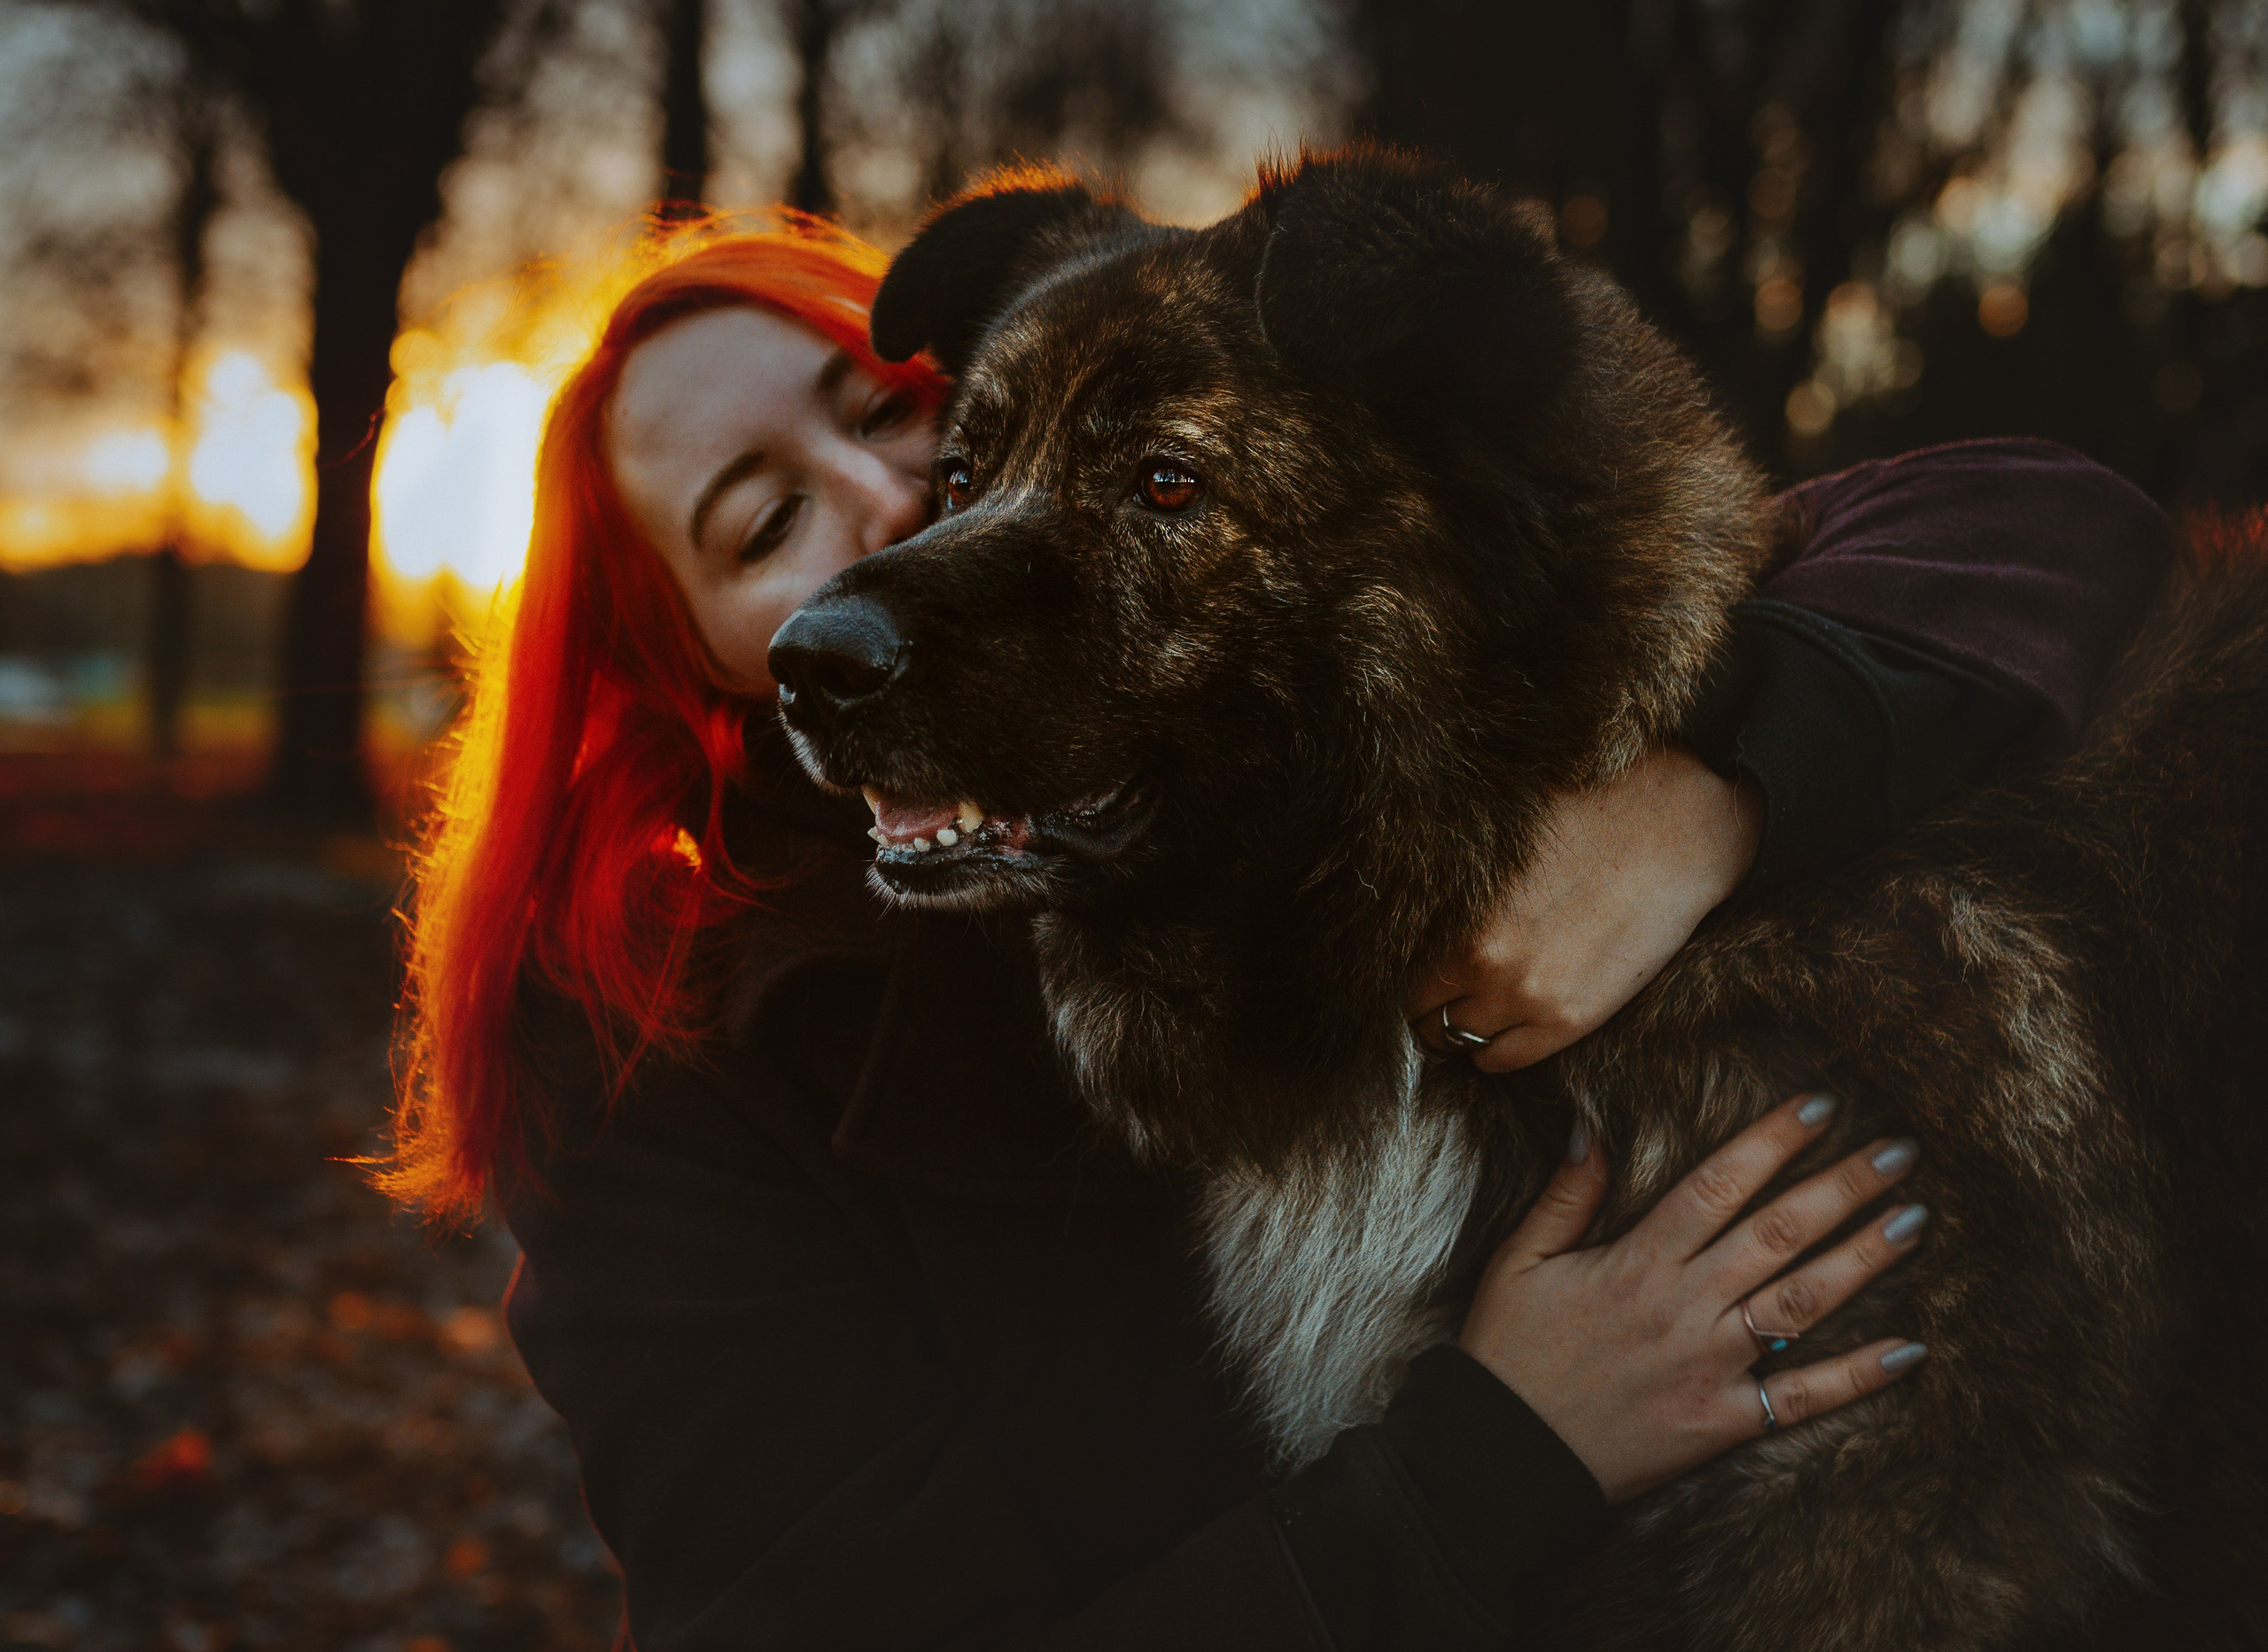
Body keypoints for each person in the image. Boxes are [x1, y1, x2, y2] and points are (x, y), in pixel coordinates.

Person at [382, 215, 2173, 1651]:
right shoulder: (657, 1107)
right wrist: (1506, 1452)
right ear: (701, 675)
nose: (881, 515)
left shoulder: (1270, 675)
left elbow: (2028, 521)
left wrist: (1706, 793)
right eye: (763, 523)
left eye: (889, 414)